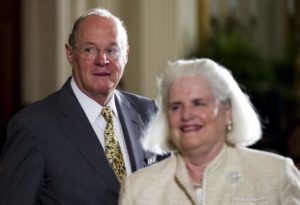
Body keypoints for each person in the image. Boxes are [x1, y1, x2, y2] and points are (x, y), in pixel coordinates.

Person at [0, 7, 161, 205]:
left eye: (112, 50)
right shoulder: (32, 127)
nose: (102, 60)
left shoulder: (149, 113)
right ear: (70, 54)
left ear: (126, 54)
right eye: (89, 50)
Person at [118, 58, 300, 205]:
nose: (186, 114)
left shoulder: (276, 174)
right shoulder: (138, 189)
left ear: (227, 111)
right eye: (176, 106)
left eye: (199, 103)